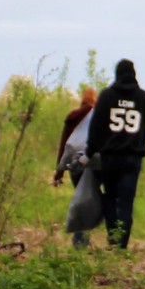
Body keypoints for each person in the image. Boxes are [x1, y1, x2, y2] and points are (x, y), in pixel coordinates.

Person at [84, 59, 145, 249]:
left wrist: (90, 151)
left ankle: (113, 237)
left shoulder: (107, 96)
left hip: (110, 157)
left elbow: (96, 127)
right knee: (126, 201)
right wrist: (141, 145)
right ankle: (122, 244)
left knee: (110, 197)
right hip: (133, 158)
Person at [53, 85, 98, 248]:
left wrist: (59, 173)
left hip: (75, 165)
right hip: (95, 163)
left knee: (82, 198)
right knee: (92, 199)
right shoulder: (99, 116)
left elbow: (64, 145)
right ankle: (82, 239)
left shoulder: (73, 117)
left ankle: (80, 240)